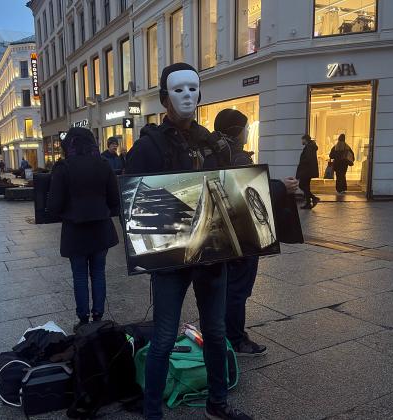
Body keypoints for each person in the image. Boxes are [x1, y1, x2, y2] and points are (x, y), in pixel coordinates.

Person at [126, 63, 251, 420]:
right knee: (164, 339)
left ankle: (217, 405)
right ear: (165, 98)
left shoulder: (213, 143)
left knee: (214, 332)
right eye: (178, 90)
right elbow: (134, 203)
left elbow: (233, 190)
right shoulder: (149, 146)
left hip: (211, 254)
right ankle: (153, 414)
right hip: (171, 258)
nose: (187, 96)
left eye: (193, 89)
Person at [212, 109, 299, 358]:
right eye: (246, 127)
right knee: (238, 290)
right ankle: (236, 339)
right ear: (236, 131)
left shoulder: (216, 153)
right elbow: (250, 192)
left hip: (224, 233)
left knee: (227, 288)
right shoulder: (237, 158)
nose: (248, 131)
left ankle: (224, 333)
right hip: (243, 235)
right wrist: (282, 186)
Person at [48, 127, 120, 332]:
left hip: (75, 231)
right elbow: (115, 200)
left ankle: (83, 319)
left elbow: (54, 205)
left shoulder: (63, 167)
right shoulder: (103, 165)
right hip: (100, 229)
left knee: (79, 275)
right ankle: (98, 315)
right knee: (98, 273)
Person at [296, 134, 320, 209]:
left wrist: (301, 168)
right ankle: (308, 203)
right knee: (306, 187)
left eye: (302, 140)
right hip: (308, 171)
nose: (301, 141)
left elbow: (307, 160)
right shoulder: (310, 146)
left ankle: (313, 198)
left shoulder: (309, 147)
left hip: (306, 171)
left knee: (302, 185)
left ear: (305, 139)